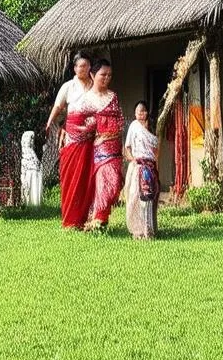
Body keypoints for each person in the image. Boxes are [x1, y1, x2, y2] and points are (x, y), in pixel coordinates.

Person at [46, 53, 96, 229]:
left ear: (90, 67)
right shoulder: (68, 87)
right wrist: (49, 122)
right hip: (72, 139)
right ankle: (71, 220)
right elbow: (58, 106)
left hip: (91, 139)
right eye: (80, 66)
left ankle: (90, 220)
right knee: (70, 177)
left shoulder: (96, 86)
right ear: (74, 69)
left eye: (86, 65)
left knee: (90, 178)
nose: (83, 69)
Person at [83, 59, 125, 231]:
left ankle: (102, 217)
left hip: (114, 145)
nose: (107, 78)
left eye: (110, 75)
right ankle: (96, 220)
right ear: (92, 75)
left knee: (114, 183)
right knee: (101, 182)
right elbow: (80, 123)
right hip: (96, 146)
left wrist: (110, 133)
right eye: (103, 75)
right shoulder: (86, 99)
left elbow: (120, 120)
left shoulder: (113, 96)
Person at [124, 100, 159, 239]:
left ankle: (149, 230)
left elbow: (156, 146)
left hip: (149, 167)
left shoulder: (150, 127)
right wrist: (133, 161)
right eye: (138, 111)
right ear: (135, 113)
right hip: (138, 167)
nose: (141, 114)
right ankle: (137, 230)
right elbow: (127, 147)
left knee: (149, 198)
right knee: (135, 198)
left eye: (143, 111)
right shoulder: (134, 126)